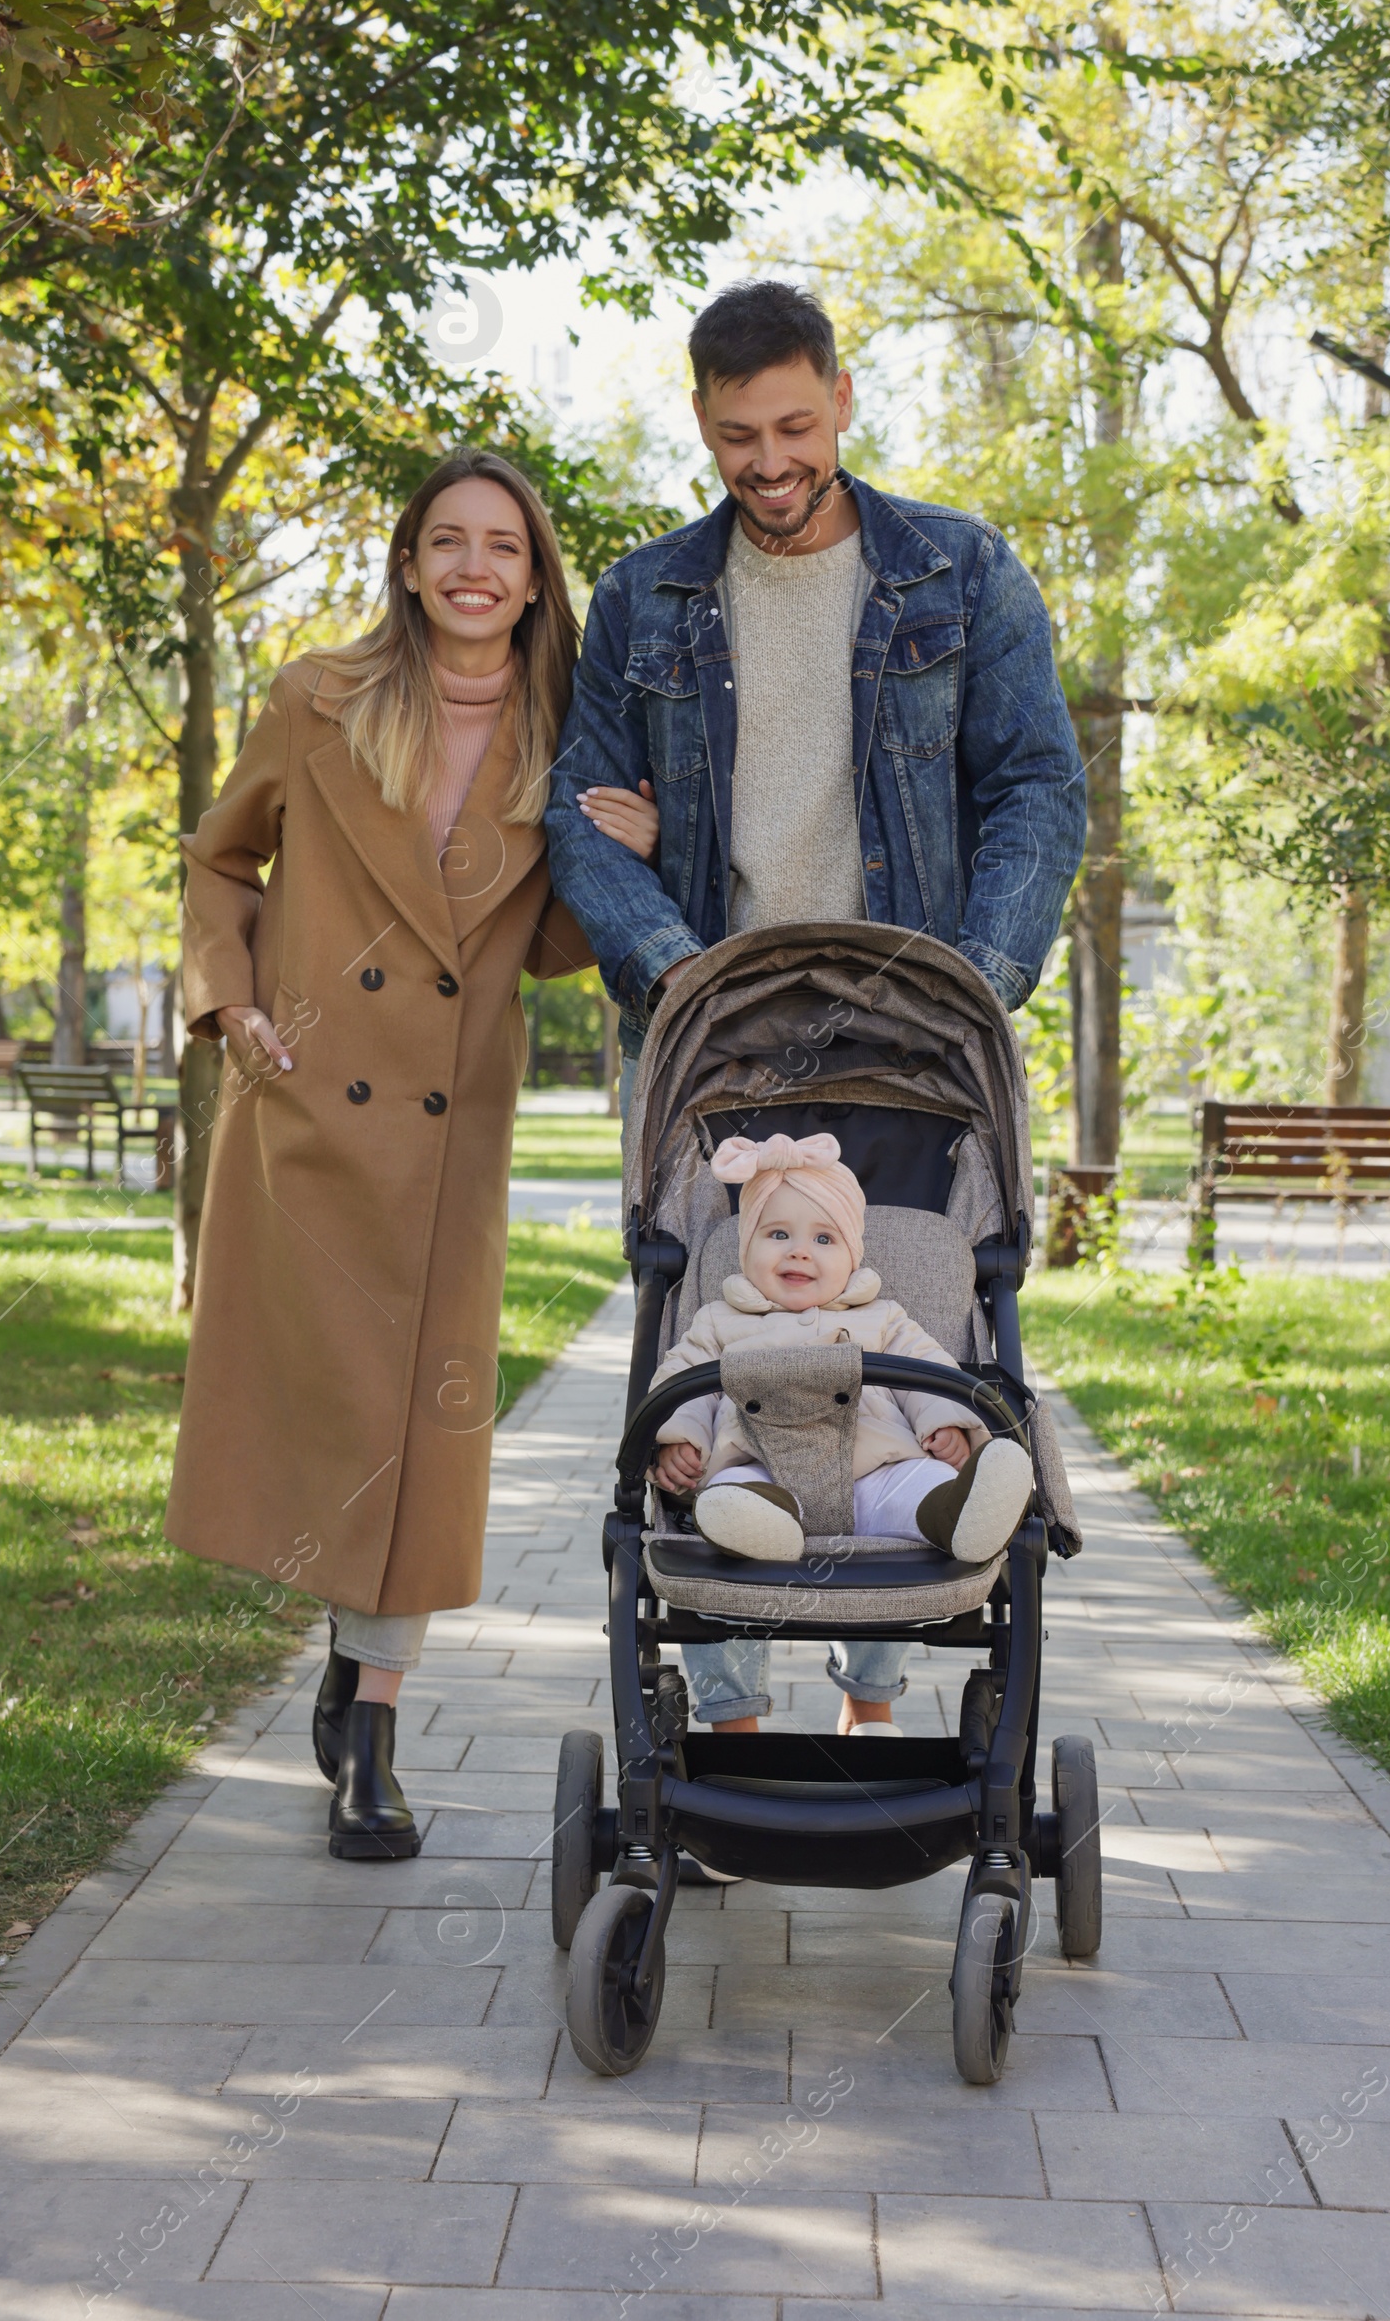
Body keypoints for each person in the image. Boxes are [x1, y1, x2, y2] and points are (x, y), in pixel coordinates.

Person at [545, 278, 1085, 1737]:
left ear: (843, 397)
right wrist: (679, 965)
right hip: (722, 1027)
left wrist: (972, 975)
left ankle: (881, 1667)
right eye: (737, 438)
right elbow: (578, 815)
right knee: (713, 1351)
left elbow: (1035, 784)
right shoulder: (646, 595)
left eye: (795, 425)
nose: (770, 462)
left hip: (913, 1026)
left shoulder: (958, 575)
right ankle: (718, 1698)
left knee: (905, 1328)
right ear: (702, 425)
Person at [165, 449, 593, 1861]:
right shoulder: (315, 696)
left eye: (506, 548)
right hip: (309, 1106)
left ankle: (375, 1732)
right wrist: (226, 998)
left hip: (449, 1135)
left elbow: (549, 947)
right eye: (450, 542)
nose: (477, 568)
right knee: (335, 1419)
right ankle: (353, 1677)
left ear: (534, 581)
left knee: (420, 1434)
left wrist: (609, 851)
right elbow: (221, 861)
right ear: (409, 563)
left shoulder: (571, 731)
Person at [648, 1134, 1034, 1601]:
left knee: (924, 1483)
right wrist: (679, 1439)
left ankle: (958, 1514)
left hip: (874, 1473)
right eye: (777, 1234)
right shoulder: (719, 1322)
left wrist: (946, 1423)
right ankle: (757, 1527)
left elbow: (929, 1368)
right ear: (745, 1249)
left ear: (853, 1257)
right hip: (762, 1468)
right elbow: (683, 1379)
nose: (799, 1251)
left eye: (824, 1238)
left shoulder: (883, 1318)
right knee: (730, 1490)